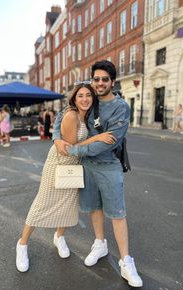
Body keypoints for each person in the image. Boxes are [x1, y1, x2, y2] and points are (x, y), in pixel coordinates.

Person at [53, 60, 143, 288]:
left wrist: (74, 149)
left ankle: (125, 261)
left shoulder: (121, 107)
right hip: (85, 166)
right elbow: (63, 114)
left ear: (112, 81)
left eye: (105, 79)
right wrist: (56, 137)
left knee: (117, 213)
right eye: (97, 79)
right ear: (92, 80)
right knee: (95, 208)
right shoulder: (88, 97)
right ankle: (100, 243)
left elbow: (108, 142)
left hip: (108, 165)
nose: (100, 83)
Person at [16, 83, 115, 273]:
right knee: (42, 203)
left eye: (88, 95)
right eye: (80, 96)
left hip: (75, 165)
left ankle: (59, 237)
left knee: (67, 204)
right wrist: (97, 138)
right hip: (59, 162)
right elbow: (70, 147)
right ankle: (22, 245)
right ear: (74, 99)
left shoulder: (89, 116)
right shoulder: (71, 114)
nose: (85, 99)